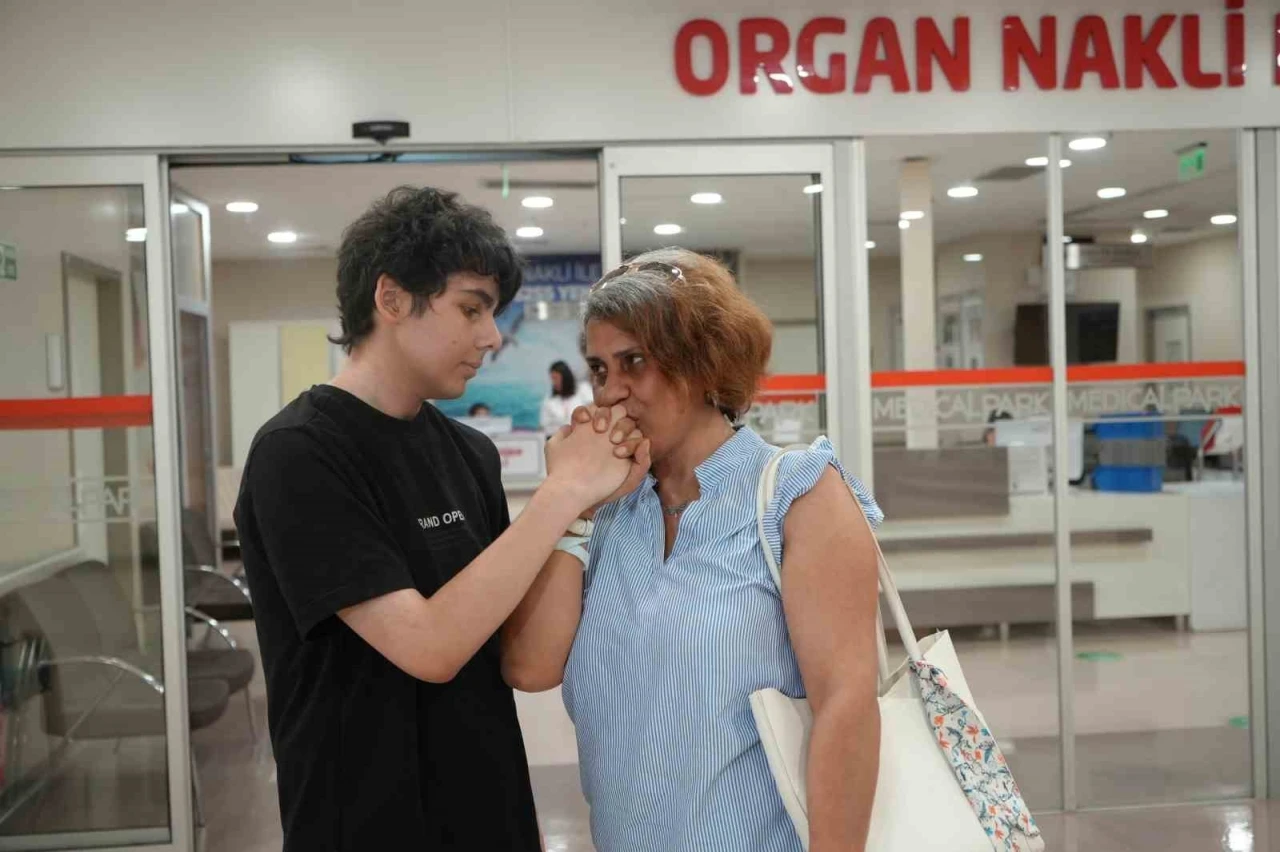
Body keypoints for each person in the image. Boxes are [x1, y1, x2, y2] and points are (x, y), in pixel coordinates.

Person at [233, 186, 646, 852]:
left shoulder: (469, 453)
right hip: (363, 823)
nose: (491, 336)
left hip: (491, 813)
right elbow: (430, 648)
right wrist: (562, 492)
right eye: (471, 309)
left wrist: (581, 514)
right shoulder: (300, 453)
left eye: (493, 314)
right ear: (392, 299)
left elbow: (512, 650)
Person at [501, 248, 883, 852]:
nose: (612, 393)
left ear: (704, 363)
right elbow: (531, 668)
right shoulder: (609, 511)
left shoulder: (797, 493)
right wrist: (572, 502)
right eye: (599, 369)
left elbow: (847, 704)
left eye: (635, 362)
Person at [538, 359, 591, 433]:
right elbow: (544, 424)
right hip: (559, 436)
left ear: (565, 377)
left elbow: (593, 411)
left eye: (556, 378)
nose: (554, 382)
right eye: (552, 379)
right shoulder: (549, 400)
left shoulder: (583, 390)